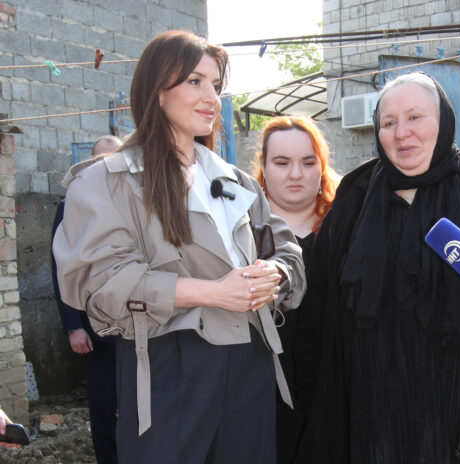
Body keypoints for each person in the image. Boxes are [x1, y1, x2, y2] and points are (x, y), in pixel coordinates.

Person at [52, 30, 306, 463]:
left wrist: (275, 274)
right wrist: (213, 292)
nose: (212, 98)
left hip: (251, 363)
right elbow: (102, 285)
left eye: (215, 85)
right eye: (194, 81)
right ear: (156, 90)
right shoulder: (105, 182)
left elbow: (287, 250)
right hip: (168, 367)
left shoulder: (235, 180)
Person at [293, 72, 460, 464]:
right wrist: (314, 399)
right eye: (389, 122)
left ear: (443, 120)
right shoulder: (354, 200)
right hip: (371, 422)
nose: (402, 133)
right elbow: (318, 308)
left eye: (415, 117)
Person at [251, 115, 339, 464]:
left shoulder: (346, 225)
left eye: (307, 162)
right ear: (263, 166)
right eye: (282, 162)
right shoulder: (240, 231)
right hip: (263, 395)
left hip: (334, 394)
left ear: (322, 166)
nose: (295, 174)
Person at [51, 134, 121, 464]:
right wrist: (73, 326)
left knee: (141, 407)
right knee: (104, 406)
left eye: (113, 160)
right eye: (98, 161)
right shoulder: (70, 207)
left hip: (140, 329)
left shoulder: (137, 202)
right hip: (95, 330)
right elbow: (61, 268)